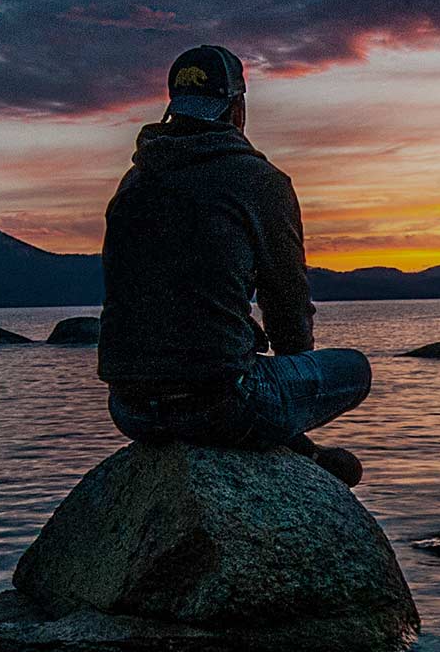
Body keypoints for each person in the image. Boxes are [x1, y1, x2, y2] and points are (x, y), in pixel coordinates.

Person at [96, 44, 371, 486]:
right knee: (355, 369)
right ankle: (293, 448)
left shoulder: (132, 183)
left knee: (235, 363)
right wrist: (288, 386)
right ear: (236, 108)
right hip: (221, 404)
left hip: (129, 409)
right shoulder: (259, 181)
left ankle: (291, 446)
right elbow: (287, 304)